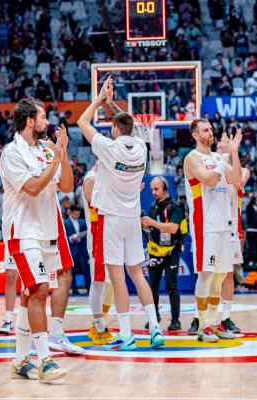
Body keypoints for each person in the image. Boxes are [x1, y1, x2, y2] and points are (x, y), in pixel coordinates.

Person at [76, 76, 164, 351]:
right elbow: (129, 125)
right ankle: (156, 329)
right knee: (138, 274)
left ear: (113, 129)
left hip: (111, 219)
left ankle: (126, 335)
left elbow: (82, 123)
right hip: (132, 217)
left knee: (116, 277)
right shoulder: (140, 147)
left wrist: (99, 100)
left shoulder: (107, 147)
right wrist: (112, 104)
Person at [0, 98, 71, 381]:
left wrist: (62, 156)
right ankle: (45, 360)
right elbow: (31, 188)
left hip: (47, 231)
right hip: (22, 230)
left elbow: (66, 186)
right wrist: (55, 160)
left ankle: (19, 361)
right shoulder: (11, 153)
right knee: (40, 289)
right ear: (30, 121)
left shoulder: (47, 149)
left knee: (30, 293)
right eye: (43, 117)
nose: (47, 122)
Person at [183, 118, 243, 343]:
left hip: (225, 225)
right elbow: (209, 179)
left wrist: (233, 152)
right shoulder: (192, 158)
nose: (211, 133)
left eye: (211, 129)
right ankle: (202, 325)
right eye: (206, 130)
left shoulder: (220, 157)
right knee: (206, 275)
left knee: (219, 277)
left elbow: (237, 179)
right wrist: (225, 157)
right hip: (205, 225)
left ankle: (214, 322)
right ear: (196, 135)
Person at [141, 176, 185, 332]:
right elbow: (152, 229)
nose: (153, 192)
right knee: (152, 286)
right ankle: (154, 317)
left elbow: (173, 228)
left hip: (171, 250)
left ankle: (175, 320)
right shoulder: (153, 207)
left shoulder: (176, 207)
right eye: (151, 189)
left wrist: (151, 223)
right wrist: (144, 225)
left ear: (165, 189)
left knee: (171, 286)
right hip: (154, 250)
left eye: (156, 189)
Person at [80, 163, 115, 345]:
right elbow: (103, 206)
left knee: (110, 284)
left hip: (109, 236)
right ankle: (99, 327)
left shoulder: (102, 179)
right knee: (99, 282)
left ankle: (98, 325)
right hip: (97, 237)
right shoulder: (91, 179)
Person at [218, 168, 251, 336]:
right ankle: (201, 319)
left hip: (232, 228)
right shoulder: (211, 165)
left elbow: (239, 182)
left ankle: (226, 318)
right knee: (210, 275)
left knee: (229, 274)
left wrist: (231, 153)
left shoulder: (242, 170)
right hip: (213, 227)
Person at [64, 206, 88, 293]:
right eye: (75, 214)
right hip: (72, 248)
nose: (77, 215)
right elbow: (63, 236)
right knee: (72, 270)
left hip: (82, 248)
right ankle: (73, 288)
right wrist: (70, 238)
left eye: (79, 214)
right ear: (71, 213)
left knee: (85, 268)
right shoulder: (66, 223)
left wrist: (84, 234)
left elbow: (88, 232)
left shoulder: (83, 222)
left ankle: (88, 287)